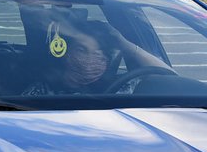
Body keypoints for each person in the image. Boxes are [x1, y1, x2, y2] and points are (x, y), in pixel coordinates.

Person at [24, 19, 170, 95]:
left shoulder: (121, 87)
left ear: (107, 60)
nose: (89, 59)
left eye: (98, 53)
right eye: (81, 50)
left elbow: (170, 76)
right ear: (65, 53)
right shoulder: (42, 91)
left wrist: (124, 44)